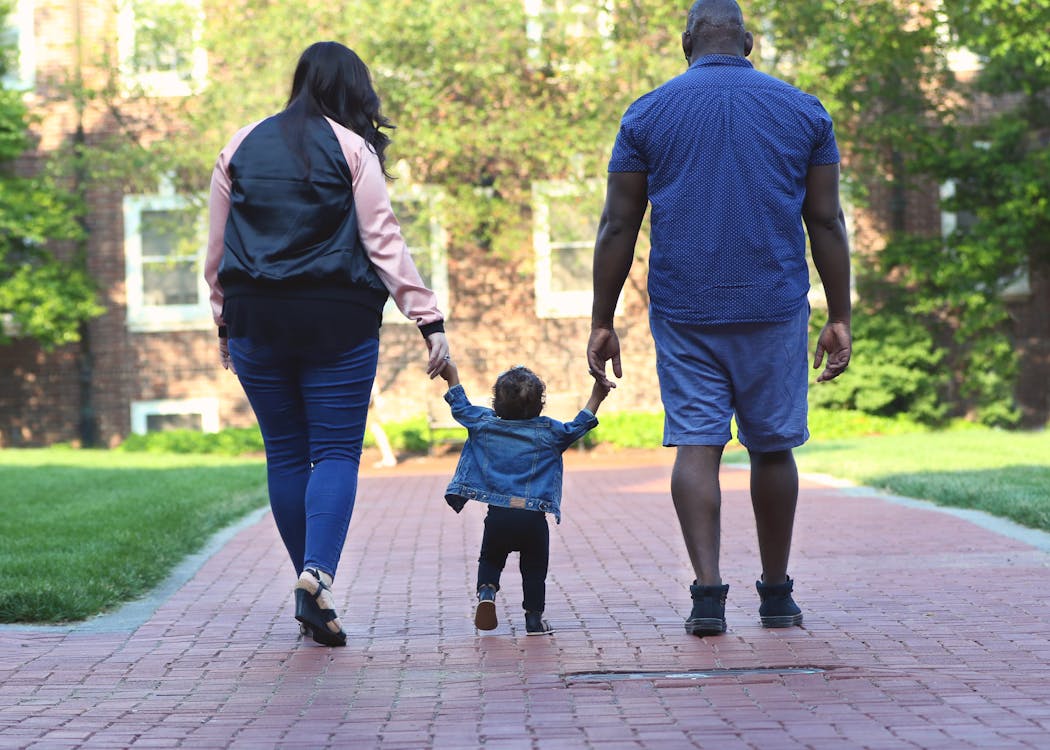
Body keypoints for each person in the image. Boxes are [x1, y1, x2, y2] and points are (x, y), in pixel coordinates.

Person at [587, 0, 852, 637]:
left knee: (697, 443)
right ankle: (777, 593)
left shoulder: (646, 113)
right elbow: (826, 220)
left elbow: (619, 223)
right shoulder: (804, 110)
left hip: (685, 308)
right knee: (772, 446)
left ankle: (707, 595)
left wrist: (602, 319)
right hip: (774, 301)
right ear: (749, 42)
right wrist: (839, 313)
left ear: (686, 44)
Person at [205, 41, 450, 647]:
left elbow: (215, 250)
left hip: (255, 317)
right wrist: (429, 319)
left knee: (285, 454)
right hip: (336, 319)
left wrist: (223, 321)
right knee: (337, 452)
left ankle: (310, 586)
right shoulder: (353, 148)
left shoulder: (239, 143)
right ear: (353, 89)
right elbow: (383, 240)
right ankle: (317, 578)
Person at [438, 360, 612, 635]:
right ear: (540, 405)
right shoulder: (550, 433)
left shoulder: (484, 425)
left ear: (496, 403)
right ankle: (533, 620)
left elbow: (461, 407)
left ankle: (486, 593)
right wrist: (597, 395)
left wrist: (452, 375)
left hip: (498, 516)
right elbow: (579, 425)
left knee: (490, 559)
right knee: (533, 569)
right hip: (532, 518)